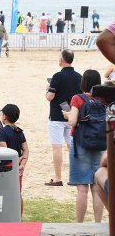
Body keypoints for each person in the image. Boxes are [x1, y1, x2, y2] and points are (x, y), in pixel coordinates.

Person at [62, 69, 104, 223]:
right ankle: (98, 223)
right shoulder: (103, 99)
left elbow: (72, 122)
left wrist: (67, 115)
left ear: (83, 82)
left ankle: (79, 224)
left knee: (82, 188)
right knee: (96, 187)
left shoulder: (77, 98)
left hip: (81, 144)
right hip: (100, 144)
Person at [45, 49, 82, 186]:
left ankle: (57, 177)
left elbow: (50, 97)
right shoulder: (79, 76)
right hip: (72, 114)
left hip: (56, 115)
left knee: (57, 147)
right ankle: (76, 176)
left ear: (61, 60)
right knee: (72, 146)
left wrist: (47, 89)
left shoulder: (57, 76)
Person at [0, 104, 29, 215]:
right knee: (17, 192)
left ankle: (4, 216)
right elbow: (26, 150)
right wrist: (22, 164)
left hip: (6, 167)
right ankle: (18, 217)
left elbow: (5, 151)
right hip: (17, 167)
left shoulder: (2, 131)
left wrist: (14, 160)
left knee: (3, 192)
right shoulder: (19, 131)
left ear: (4, 116)